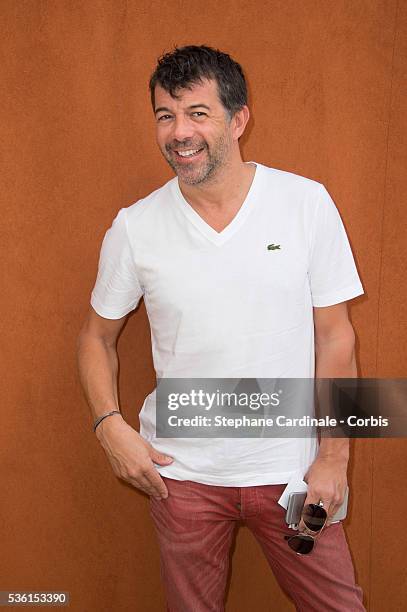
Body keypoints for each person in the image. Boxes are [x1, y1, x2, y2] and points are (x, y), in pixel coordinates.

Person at [77, 45, 366, 611]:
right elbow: (96, 337)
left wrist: (334, 459)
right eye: (166, 115)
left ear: (238, 120)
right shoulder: (136, 228)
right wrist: (109, 426)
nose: (179, 131)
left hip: (293, 478)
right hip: (181, 481)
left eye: (197, 112)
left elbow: (337, 337)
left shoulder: (305, 205)